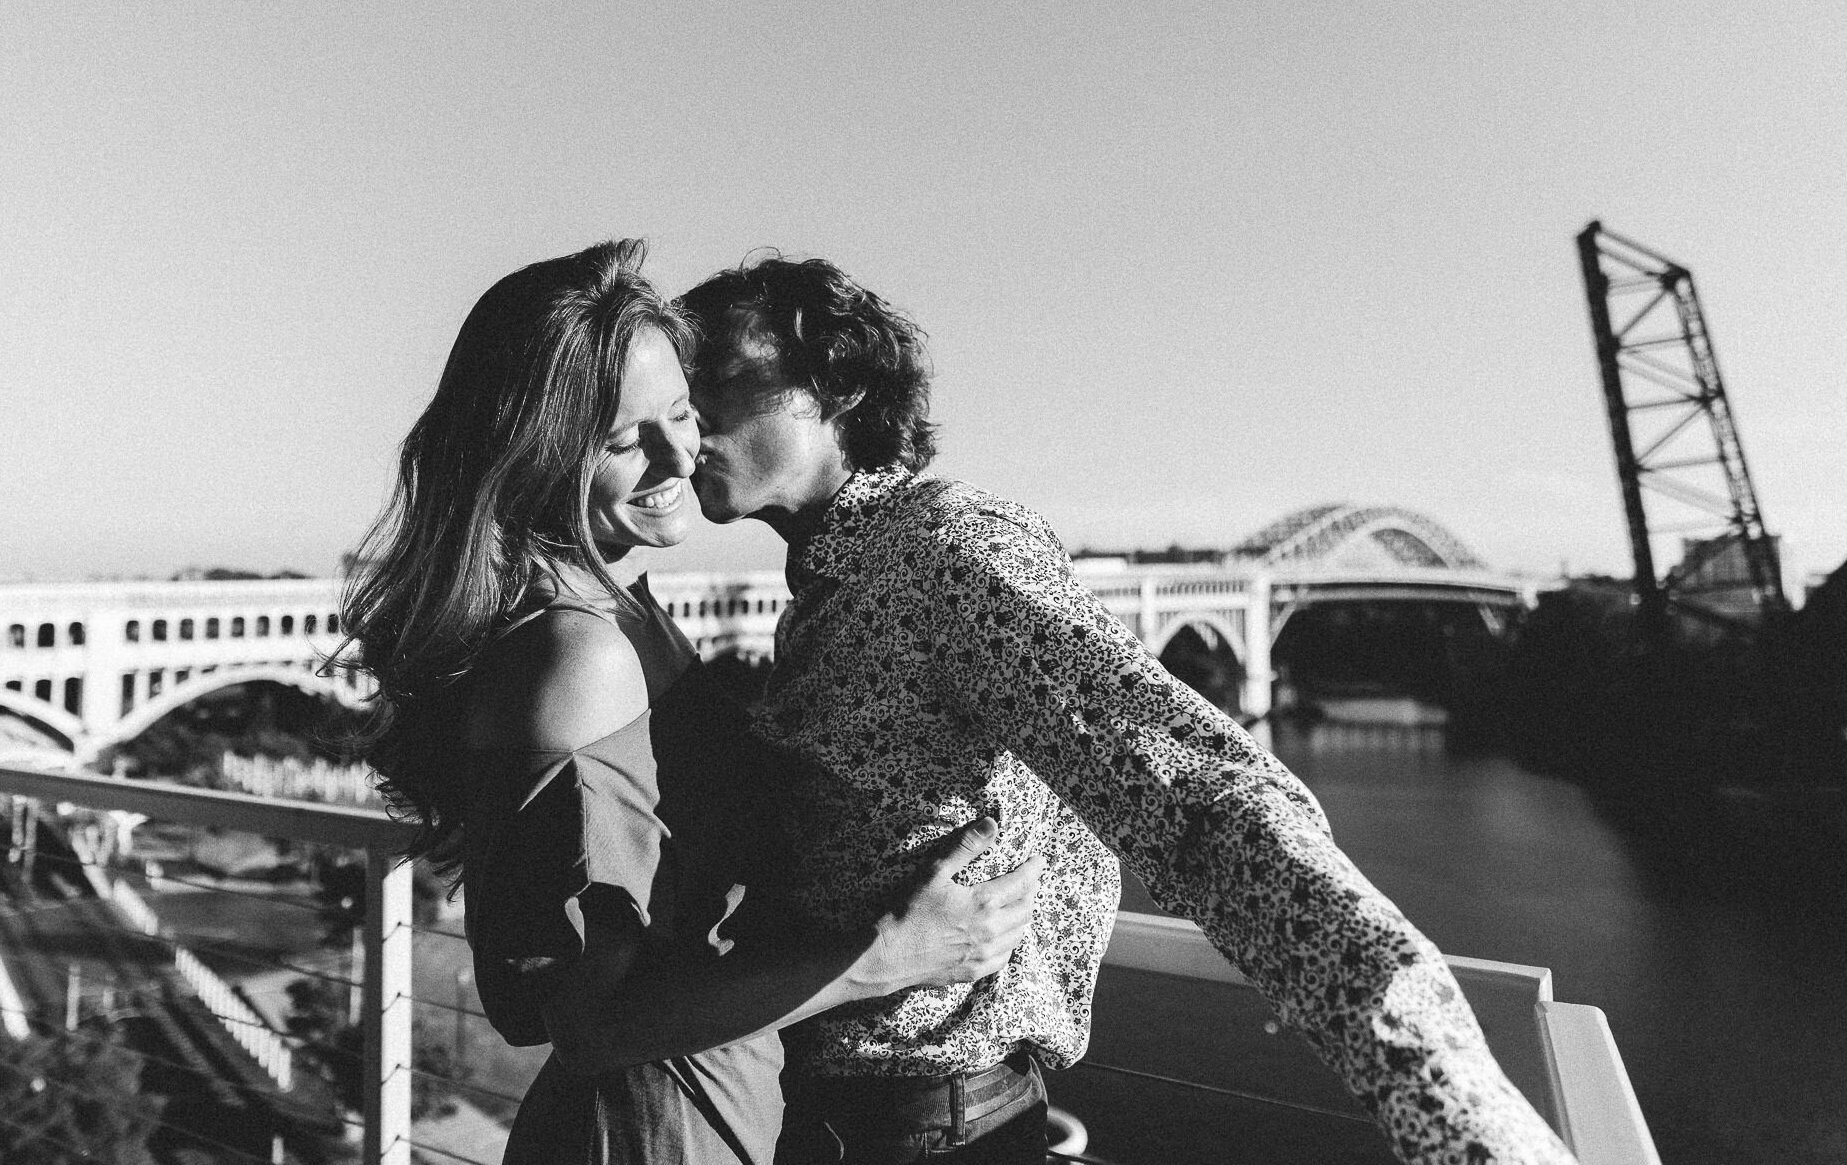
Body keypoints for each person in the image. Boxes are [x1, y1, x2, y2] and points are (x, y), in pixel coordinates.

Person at [675, 255, 1579, 1165]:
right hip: (834, 1114)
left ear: (838, 387)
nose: (690, 414)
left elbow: (1194, 796)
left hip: (929, 1130)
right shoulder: (828, 591)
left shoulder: (942, 553)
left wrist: (1451, 1113)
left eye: (722, 376)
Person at [338, 240, 1043, 1165]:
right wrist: (885, 956)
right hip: (651, 1135)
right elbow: (584, 1020)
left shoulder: (615, 611)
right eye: (631, 440)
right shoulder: (577, 656)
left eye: (684, 411)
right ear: (538, 454)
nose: (683, 455)